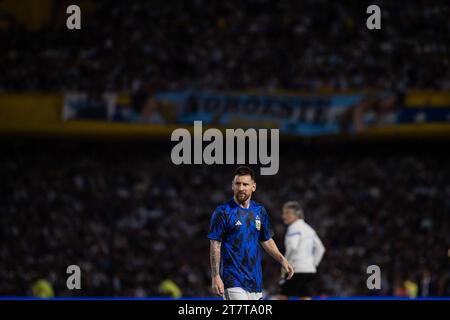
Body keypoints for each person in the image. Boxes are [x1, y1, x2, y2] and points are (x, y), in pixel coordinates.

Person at [208, 166, 294, 300]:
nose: (241, 188)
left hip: (255, 282)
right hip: (233, 280)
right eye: (237, 184)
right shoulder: (223, 212)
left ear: (253, 186)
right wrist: (215, 276)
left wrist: (282, 259)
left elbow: (266, 239)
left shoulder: (259, 210)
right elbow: (215, 244)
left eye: (245, 184)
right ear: (232, 186)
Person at [278, 201, 325, 299]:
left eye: (287, 213)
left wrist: (284, 263)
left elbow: (292, 247)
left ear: (296, 215)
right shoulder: (309, 229)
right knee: (305, 296)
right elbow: (321, 249)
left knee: (282, 296)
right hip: (309, 270)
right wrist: (313, 264)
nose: (283, 216)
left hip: (296, 269)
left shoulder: (293, 228)